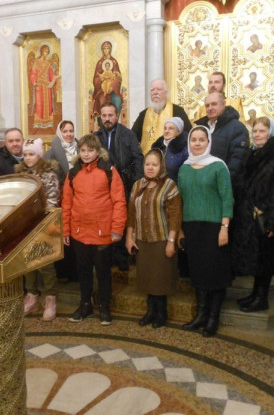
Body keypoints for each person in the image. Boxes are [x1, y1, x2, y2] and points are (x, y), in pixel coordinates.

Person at [62, 134, 127, 325]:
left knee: (103, 272)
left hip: (102, 233)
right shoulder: (73, 173)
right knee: (83, 272)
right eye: (83, 150)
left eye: (90, 150)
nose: (86, 154)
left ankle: (104, 306)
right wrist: (66, 230)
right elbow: (66, 203)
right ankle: (85, 305)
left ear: (98, 151)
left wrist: (117, 229)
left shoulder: (109, 171)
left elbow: (119, 202)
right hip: (79, 232)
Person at [231, 117, 274, 312]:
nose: (257, 135)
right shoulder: (251, 155)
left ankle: (262, 298)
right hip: (247, 216)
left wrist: (273, 221)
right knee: (255, 259)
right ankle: (255, 294)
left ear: (271, 133)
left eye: (262, 131)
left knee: (265, 259)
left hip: (265, 218)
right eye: (255, 131)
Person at [178, 126, 233, 337]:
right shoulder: (184, 168)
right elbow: (180, 200)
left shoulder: (218, 166)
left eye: (202, 139)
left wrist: (224, 227)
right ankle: (201, 315)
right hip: (192, 227)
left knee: (215, 274)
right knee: (198, 273)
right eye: (194, 140)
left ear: (209, 142)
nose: (198, 143)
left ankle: (212, 319)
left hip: (214, 227)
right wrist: (180, 229)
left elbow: (227, 198)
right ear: (189, 142)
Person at [125, 149, 182, 328]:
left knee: (160, 279)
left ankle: (161, 313)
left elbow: (175, 217)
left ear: (161, 166)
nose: (150, 168)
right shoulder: (137, 185)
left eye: (154, 165)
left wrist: (171, 242)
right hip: (142, 240)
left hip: (162, 240)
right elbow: (131, 214)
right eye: (147, 164)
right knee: (147, 277)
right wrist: (129, 237)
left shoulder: (170, 186)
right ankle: (150, 311)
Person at [95, 102, 143, 270]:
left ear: (117, 116)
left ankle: (123, 258)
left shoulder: (128, 134)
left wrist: (136, 182)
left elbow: (138, 158)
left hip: (125, 183)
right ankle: (107, 258)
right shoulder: (95, 137)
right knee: (106, 219)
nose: (107, 119)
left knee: (122, 218)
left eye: (110, 115)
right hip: (102, 187)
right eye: (104, 116)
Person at [17, 138, 61, 321]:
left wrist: (41, 221)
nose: (28, 158)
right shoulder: (20, 175)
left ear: (39, 155)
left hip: (43, 225)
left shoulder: (49, 175)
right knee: (27, 262)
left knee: (45, 262)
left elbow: (52, 200)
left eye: (32, 154)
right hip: (24, 225)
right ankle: (32, 295)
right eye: (25, 154)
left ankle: (50, 298)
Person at [44, 120, 79, 281]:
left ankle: (76, 270)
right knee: (62, 235)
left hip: (78, 197)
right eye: (65, 131)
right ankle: (63, 271)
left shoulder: (80, 148)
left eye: (71, 131)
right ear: (60, 132)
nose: (69, 134)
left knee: (76, 233)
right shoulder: (52, 152)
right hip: (60, 198)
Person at [194, 91, 249, 180]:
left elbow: (238, 159)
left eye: (214, 104)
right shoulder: (201, 128)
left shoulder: (237, 128)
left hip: (224, 182)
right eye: (207, 105)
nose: (210, 108)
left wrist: (222, 180)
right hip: (202, 181)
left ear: (223, 104)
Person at [131, 78, 192, 154]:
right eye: (152, 90)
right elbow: (132, 138)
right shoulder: (143, 114)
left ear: (166, 92)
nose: (155, 92)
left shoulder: (177, 111)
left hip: (171, 158)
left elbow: (188, 136)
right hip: (146, 159)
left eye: (159, 89)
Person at [30, 45, 59, 129]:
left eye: (47, 52)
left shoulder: (48, 63)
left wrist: (55, 79)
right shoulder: (36, 62)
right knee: (39, 104)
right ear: (42, 51)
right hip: (39, 86)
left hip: (47, 87)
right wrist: (35, 84)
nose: (46, 53)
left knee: (48, 104)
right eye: (45, 51)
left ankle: (48, 122)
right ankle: (39, 123)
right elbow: (33, 74)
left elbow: (51, 75)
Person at [151, 117, 188, 183]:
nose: (166, 131)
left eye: (171, 128)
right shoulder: (157, 147)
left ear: (179, 131)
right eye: (165, 128)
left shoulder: (184, 149)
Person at [91, 41, 123, 118]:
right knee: (102, 100)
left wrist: (112, 87)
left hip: (113, 90)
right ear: (102, 50)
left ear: (110, 49)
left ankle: (115, 122)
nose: (106, 50)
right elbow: (96, 78)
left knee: (118, 100)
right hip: (102, 90)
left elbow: (118, 78)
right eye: (104, 49)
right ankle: (103, 123)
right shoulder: (100, 63)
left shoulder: (114, 62)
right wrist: (102, 79)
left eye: (107, 48)